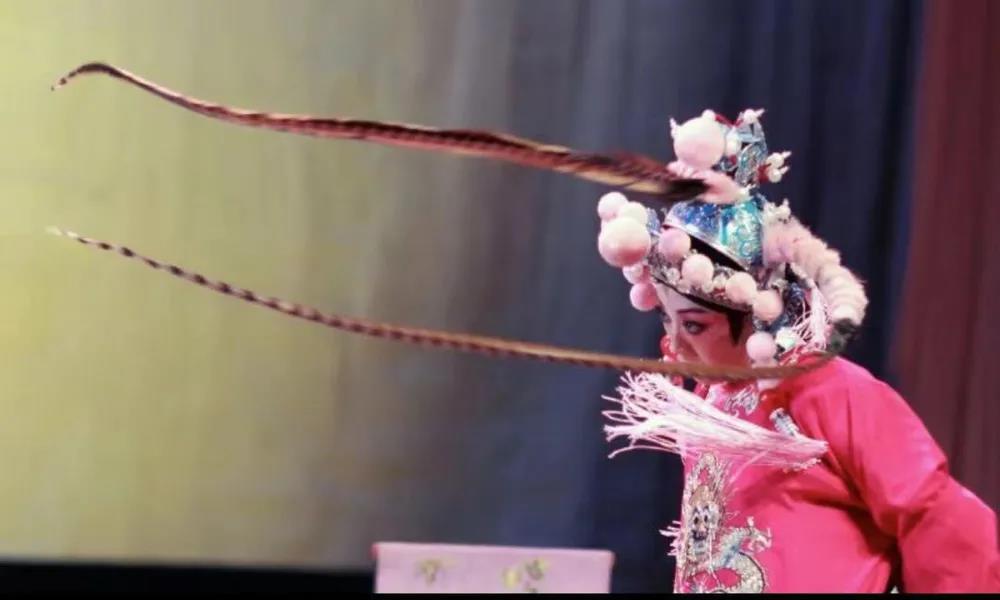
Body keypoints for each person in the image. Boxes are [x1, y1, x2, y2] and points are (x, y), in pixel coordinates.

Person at [596, 109, 1000, 593]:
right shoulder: (712, 403)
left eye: (696, 325)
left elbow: (942, 519)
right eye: (668, 320)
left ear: (756, 313)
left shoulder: (832, 391)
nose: (678, 344)